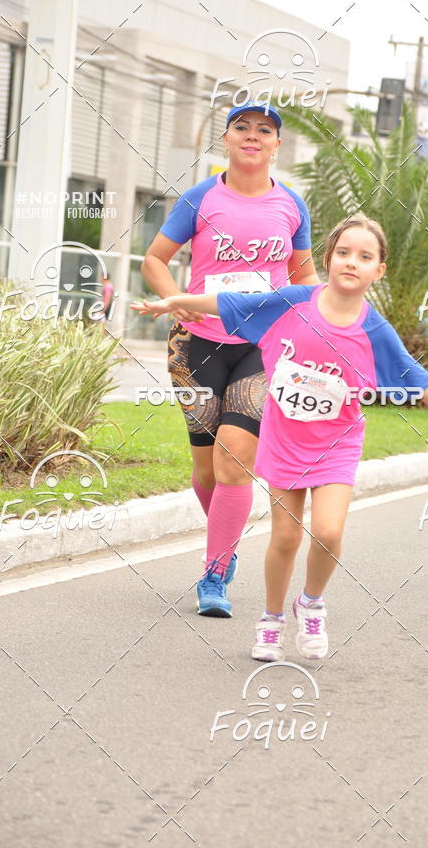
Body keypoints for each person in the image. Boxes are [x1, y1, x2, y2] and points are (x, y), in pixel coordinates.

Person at [132, 213, 428, 660]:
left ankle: (312, 603)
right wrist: (175, 302)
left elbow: (416, 376)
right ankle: (271, 619)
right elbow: (232, 304)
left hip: (337, 443)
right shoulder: (295, 301)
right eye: (343, 253)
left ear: (379, 270)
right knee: (285, 537)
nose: (351, 262)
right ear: (329, 258)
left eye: (364, 256)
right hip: (284, 438)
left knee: (328, 532)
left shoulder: (374, 329)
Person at [140, 100, 319, 618]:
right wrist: (175, 300)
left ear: (276, 145)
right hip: (196, 345)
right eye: (242, 127)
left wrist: (314, 320)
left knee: (234, 457)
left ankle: (214, 573)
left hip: (262, 348)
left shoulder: (291, 206)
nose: (253, 136)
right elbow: (155, 258)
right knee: (205, 469)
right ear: (227, 139)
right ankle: (228, 545)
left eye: (265, 130)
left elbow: (305, 280)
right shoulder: (200, 198)